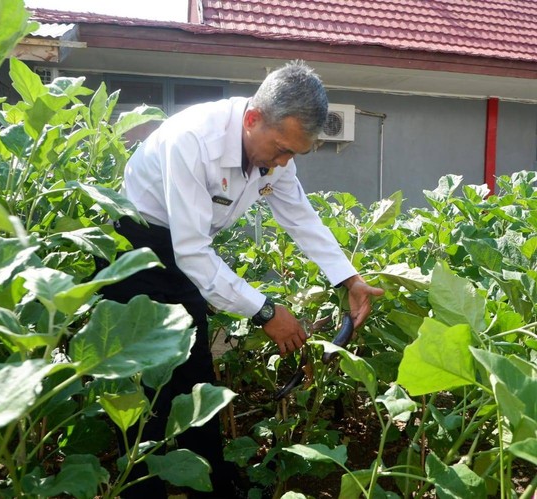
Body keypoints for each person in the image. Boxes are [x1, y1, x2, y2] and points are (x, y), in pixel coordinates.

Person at [100, 60, 384, 498]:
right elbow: (192, 251)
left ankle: (206, 482)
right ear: (253, 118)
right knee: (143, 381)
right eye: (281, 149)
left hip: (181, 253)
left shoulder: (273, 150)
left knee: (194, 376)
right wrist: (266, 312)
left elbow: (299, 216)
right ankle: (141, 488)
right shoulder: (193, 140)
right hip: (134, 251)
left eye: (294, 154)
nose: (283, 162)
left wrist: (349, 279)